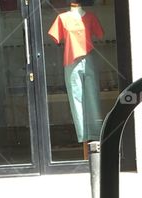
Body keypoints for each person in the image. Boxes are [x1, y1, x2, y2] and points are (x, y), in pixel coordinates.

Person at [48, 2, 105, 150]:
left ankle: (96, 135)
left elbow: (99, 34)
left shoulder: (91, 17)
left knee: (93, 96)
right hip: (70, 60)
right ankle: (83, 136)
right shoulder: (62, 18)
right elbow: (56, 37)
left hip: (89, 59)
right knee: (76, 99)